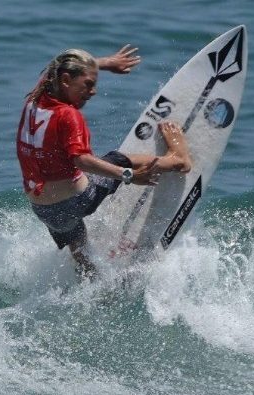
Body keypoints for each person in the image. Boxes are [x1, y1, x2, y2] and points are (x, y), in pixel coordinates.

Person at [16, 45, 192, 277]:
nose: (93, 91)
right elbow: (82, 160)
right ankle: (178, 160)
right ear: (66, 80)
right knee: (117, 159)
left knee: (78, 244)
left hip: (44, 211)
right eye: (88, 84)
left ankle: (93, 281)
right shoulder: (68, 115)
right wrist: (128, 175)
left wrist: (106, 63)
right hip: (77, 201)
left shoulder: (35, 98)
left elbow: (55, 67)